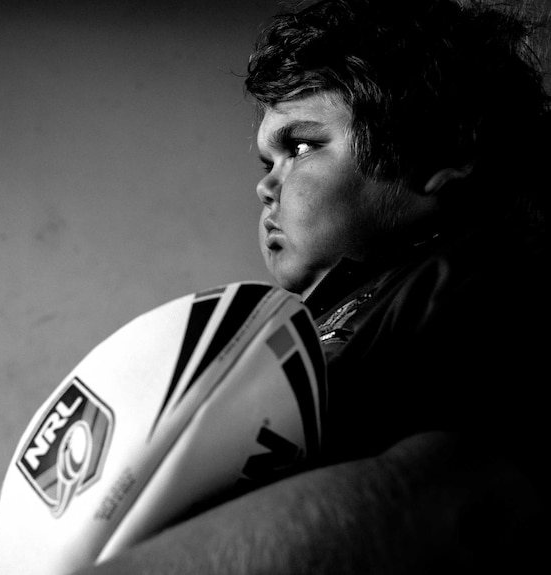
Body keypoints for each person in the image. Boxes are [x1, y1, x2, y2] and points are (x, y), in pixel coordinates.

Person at [73, 0, 549, 573]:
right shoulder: (346, 307)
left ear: (437, 152)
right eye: (264, 162)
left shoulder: (488, 279)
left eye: (300, 147)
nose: (266, 188)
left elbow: (460, 502)